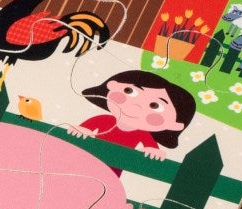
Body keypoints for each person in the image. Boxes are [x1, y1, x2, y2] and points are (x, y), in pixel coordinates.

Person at [68, 70, 196, 166]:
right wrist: (81, 131)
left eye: (155, 106)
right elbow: (83, 129)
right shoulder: (104, 120)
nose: (136, 105)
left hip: (112, 168)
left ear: (175, 125)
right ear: (112, 85)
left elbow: (152, 149)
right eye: (129, 91)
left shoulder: (143, 134)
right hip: (84, 159)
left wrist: (154, 152)